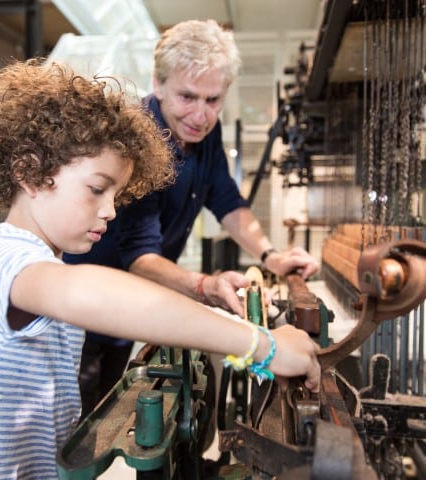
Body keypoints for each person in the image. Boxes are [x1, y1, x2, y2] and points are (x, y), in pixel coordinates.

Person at [0, 59, 320, 480]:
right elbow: (88, 293)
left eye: (117, 195)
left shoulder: (37, 260)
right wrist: (261, 345)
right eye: (96, 189)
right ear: (30, 173)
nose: (109, 211)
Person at [64, 19, 320, 416]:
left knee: (105, 412)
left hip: (124, 311)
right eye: (187, 97)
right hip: (83, 315)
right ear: (158, 82)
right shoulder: (136, 139)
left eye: (213, 100)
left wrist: (271, 256)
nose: (201, 115)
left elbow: (227, 201)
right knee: (79, 432)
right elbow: (139, 257)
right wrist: (204, 287)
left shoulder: (204, 134)